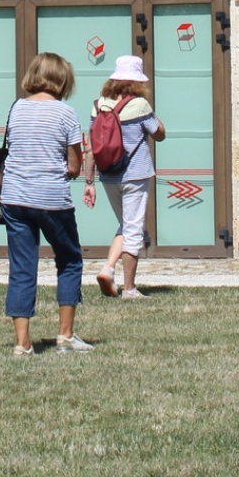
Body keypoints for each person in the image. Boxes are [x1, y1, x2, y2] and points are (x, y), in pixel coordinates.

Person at [0, 51, 91, 355]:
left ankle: (22, 343)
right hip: (51, 198)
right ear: (62, 79)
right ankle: (65, 335)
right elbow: (74, 167)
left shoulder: (16, 109)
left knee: (22, 267)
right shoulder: (66, 113)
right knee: (69, 259)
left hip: (14, 196)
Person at [89, 56, 164, 300]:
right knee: (133, 230)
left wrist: (88, 181)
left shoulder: (99, 104)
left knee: (125, 223)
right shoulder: (140, 105)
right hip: (135, 175)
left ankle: (108, 268)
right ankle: (129, 289)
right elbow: (159, 134)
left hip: (108, 175)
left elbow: (91, 145)